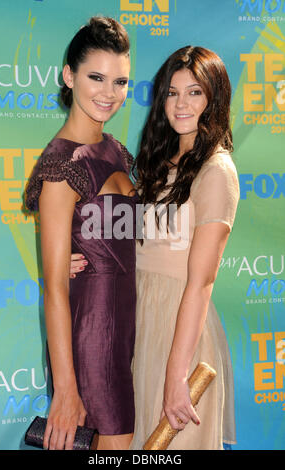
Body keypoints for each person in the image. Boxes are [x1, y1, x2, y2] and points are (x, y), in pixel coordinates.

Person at [71, 45, 239, 450]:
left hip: (178, 330)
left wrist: (177, 375)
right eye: (172, 92)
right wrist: (78, 257)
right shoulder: (157, 163)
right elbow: (126, 241)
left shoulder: (217, 171)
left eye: (194, 92)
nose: (181, 104)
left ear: (214, 98)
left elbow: (200, 284)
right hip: (133, 318)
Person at [25, 16, 137, 450]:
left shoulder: (116, 150)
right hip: (90, 339)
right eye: (96, 77)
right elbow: (54, 290)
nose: (109, 93)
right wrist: (67, 391)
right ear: (69, 76)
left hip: (125, 330)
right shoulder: (60, 167)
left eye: (121, 81)